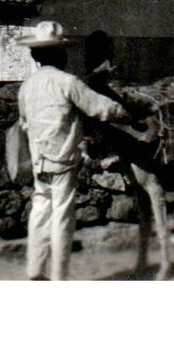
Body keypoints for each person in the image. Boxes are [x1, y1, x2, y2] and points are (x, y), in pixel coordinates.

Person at [17, 21, 129, 281]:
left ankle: (35, 271)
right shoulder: (67, 82)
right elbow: (99, 107)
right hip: (63, 161)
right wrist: (125, 113)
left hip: (39, 161)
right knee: (61, 218)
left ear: (35, 55)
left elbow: (24, 122)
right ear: (59, 54)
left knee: (40, 212)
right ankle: (58, 276)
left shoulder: (27, 86)